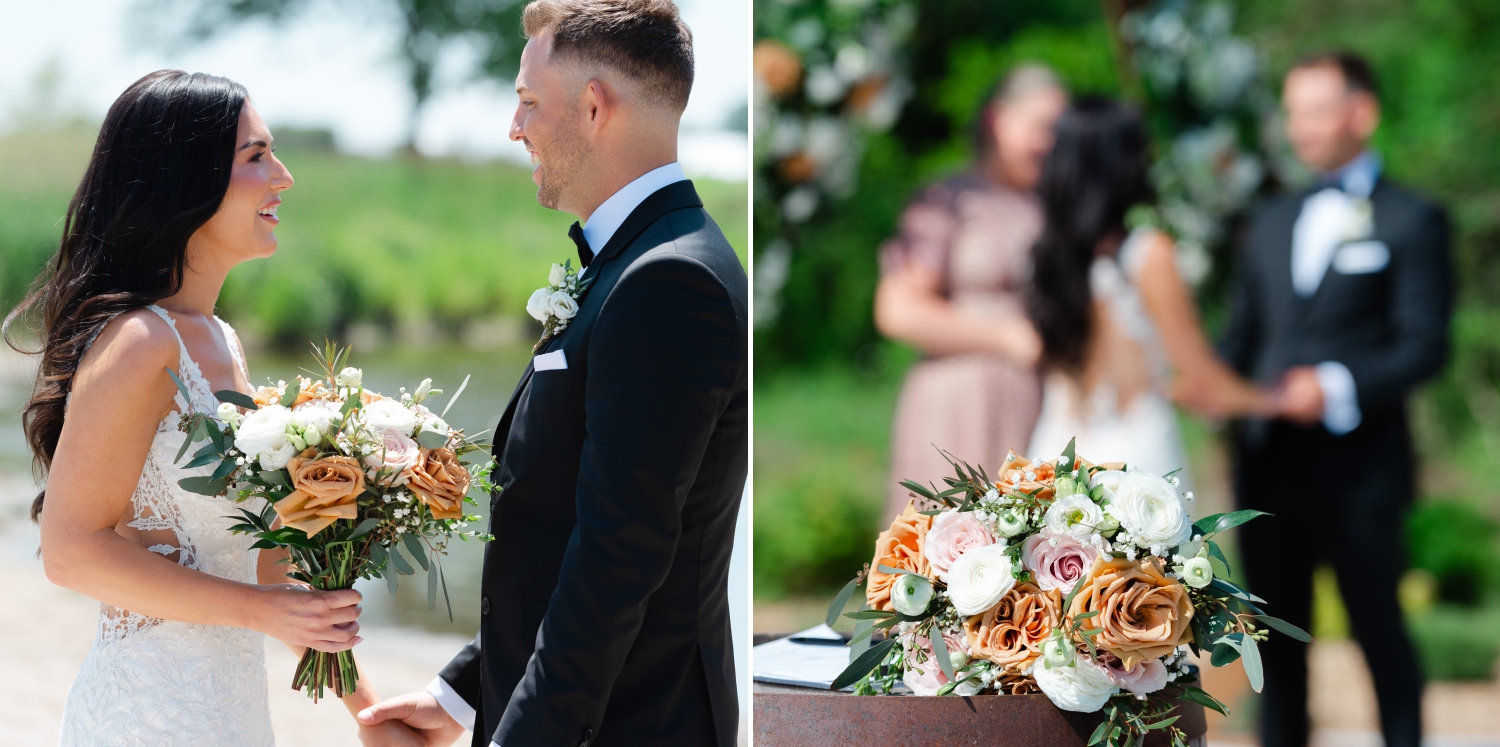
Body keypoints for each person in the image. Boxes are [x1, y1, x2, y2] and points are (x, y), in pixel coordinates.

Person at [355, 1, 747, 746]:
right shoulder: (633, 261)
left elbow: (615, 558)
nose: (514, 127)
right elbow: (559, 527)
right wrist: (465, 692)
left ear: (594, 106)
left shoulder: (669, 280)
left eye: (528, 101)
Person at [3, 70, 397, 744]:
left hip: (231, 716)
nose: (284, 176)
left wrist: (369, 712)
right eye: (256, 156)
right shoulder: (139, 343)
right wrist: (261, 612)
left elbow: (263, 561)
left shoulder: (219, 341)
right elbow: (68, 551)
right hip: (146, 716)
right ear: (183, 180)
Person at [1221, 52, 1450, 747]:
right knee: (1276, 647)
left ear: (1363, 113)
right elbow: (1242, 336)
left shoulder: (1412, 219)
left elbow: (1424, 344)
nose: (1301, 128)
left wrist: (1336, 386)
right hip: (1267, 468)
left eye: (1317, 110)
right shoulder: (1267, 219)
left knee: (1380, 631)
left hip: (1362, 474)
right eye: (1292, 112)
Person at [1025, 97, 1272, 481]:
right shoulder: (1147, 253)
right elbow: (1204, 379)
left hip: (1052, 455)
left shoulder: (1044, 260)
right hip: (1134, 461)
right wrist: (1277, 400)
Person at [874, 64, 1066, 520]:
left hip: (1039, 406)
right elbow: (897, 310)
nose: (1051, 142)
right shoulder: (948, 200)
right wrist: (1006, 337)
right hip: (959, 406)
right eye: (1041, 127)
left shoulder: (1056, 205)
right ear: (997, 119)